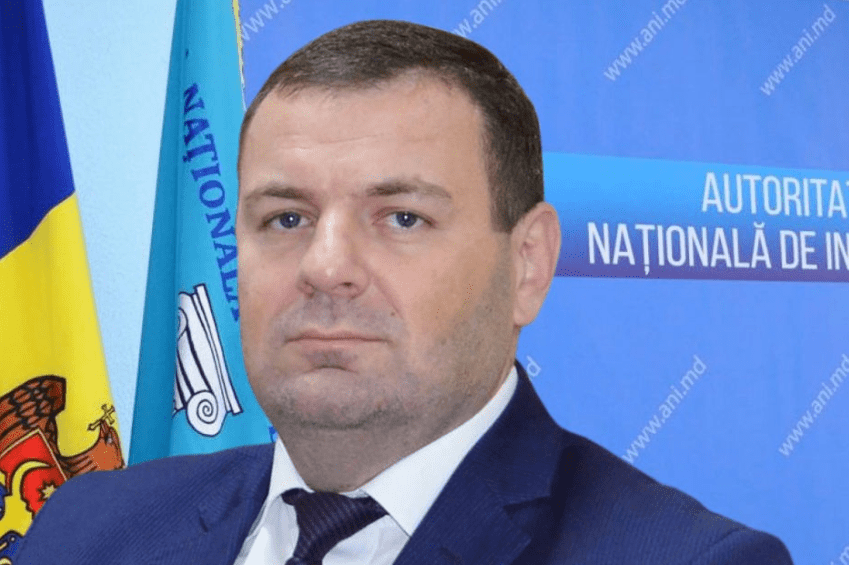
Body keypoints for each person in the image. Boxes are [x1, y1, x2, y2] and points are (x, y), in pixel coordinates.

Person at [16, 20, 793, 565]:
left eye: (401, 217)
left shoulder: (685, 558)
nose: (326, 265)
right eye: (285, 217)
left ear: (527, 264)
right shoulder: (85, 530)